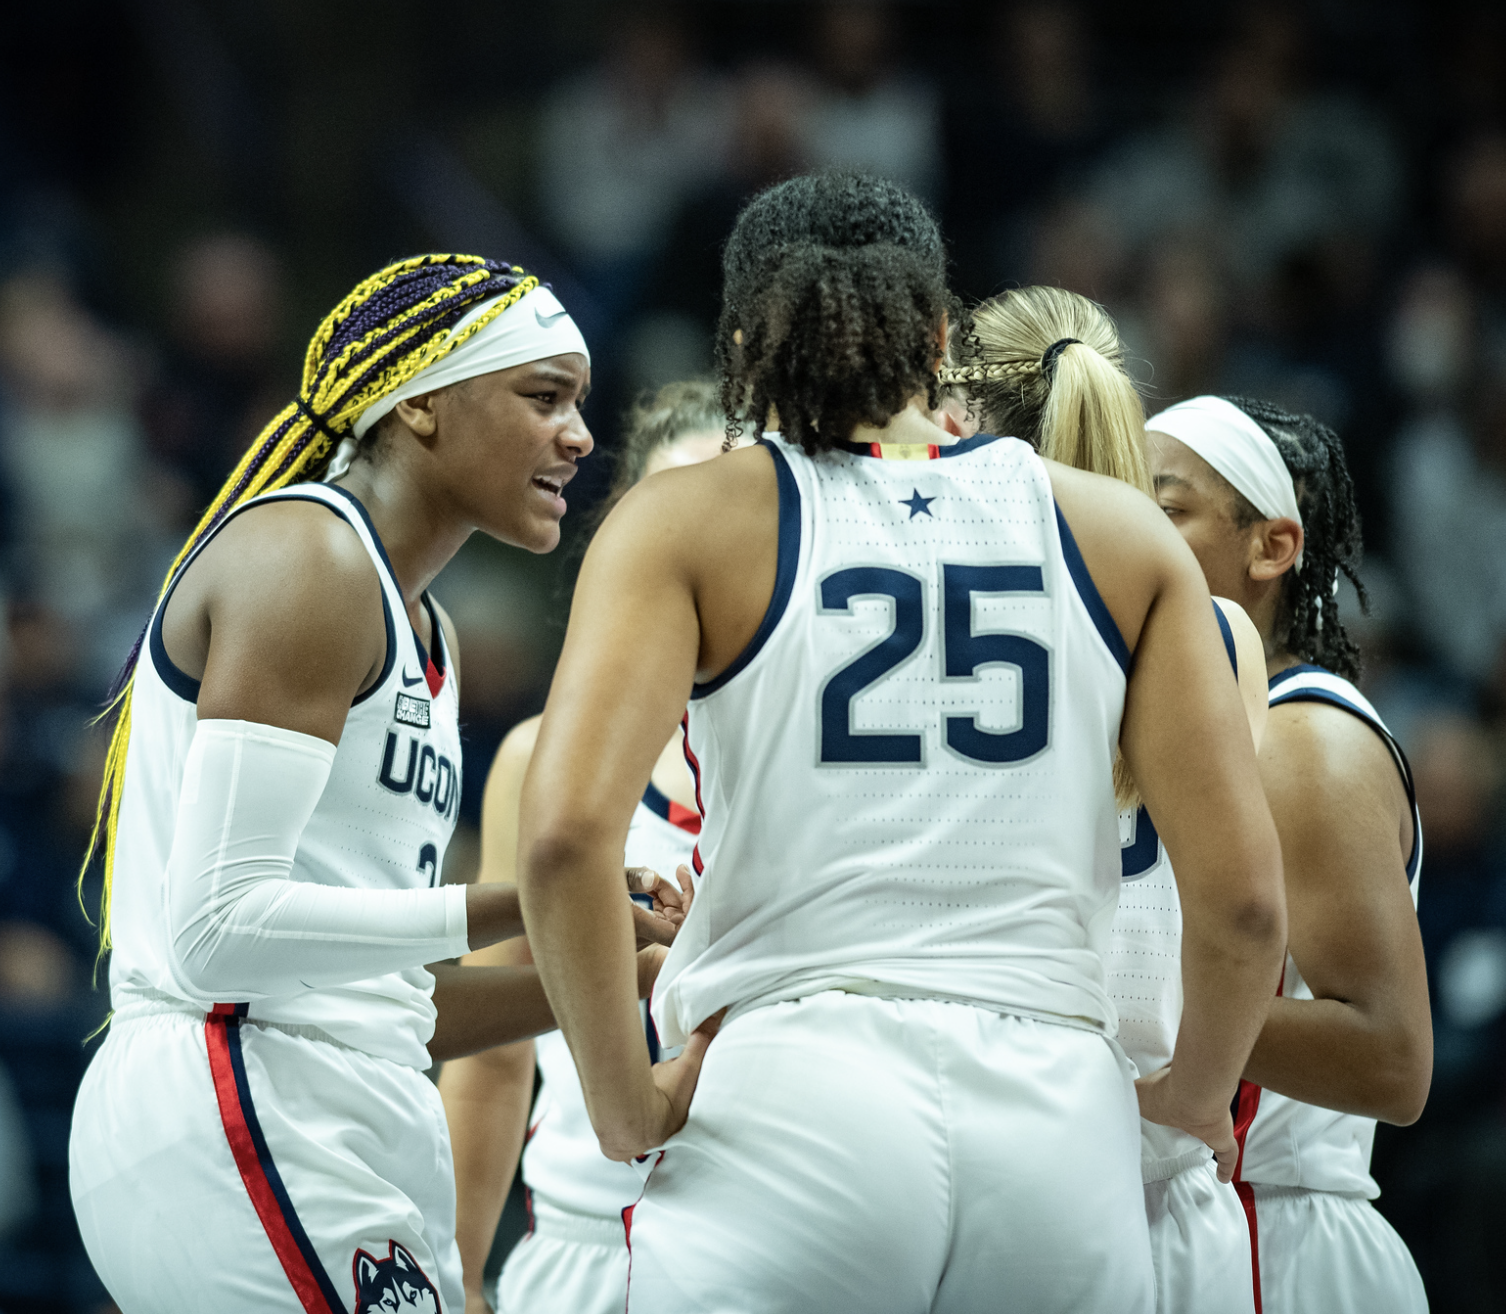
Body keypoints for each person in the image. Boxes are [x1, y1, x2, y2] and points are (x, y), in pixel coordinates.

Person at [516, 170, 1286, 1314]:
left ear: (740, 346)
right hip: (1057, 1117)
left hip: (790, 1088)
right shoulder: (1120, 534)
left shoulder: (684, 522)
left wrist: (624, 1105)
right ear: (938, 336)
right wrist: (1191, 1101)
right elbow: (1244, 908)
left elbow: (564, 840)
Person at [67, 254, 677, 1313]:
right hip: (235, 1090)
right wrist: (527, 901)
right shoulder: (313, 562)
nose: (580, 435)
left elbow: (384, 999)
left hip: (332, 1094)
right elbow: (218, 934)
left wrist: (609, 972)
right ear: (426, 404)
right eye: (544, 398)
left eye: (578, 403)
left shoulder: (419, 628)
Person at [944, 287, 1270, 1314]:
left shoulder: (927, 608)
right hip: (1156, 1147)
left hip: (982, 1117)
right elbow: (1244, 908)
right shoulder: (1215, 629)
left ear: (958, 416)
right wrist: (1196, 1097)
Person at [439, 379, 730, 1314]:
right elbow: (491, 1054)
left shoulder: (837, 754)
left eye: (726, 508)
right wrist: (463, 1274)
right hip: (584, 1244)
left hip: (777, 1232)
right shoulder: (540, 758)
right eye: (667, 512)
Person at [1144, 395, 1431, 1314]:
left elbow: (1391, 1058)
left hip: (1287, 1241)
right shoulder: (1183, 726)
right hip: (1198, 1219)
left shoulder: (1306, 740)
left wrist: (1117, 1011)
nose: (1134, 538)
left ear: (1270, 547)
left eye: (1168, 510)